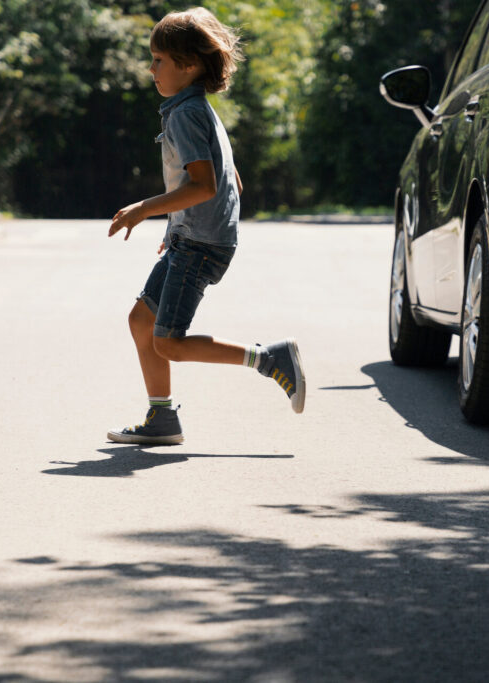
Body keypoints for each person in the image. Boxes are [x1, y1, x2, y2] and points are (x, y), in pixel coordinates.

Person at [106, 7, 305, 445]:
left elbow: (204, 184)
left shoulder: (186, 115)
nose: (151, 68)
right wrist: (175, 225)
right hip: (191, 238)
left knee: (169, 342)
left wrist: (144, 208)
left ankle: (270, 358)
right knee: (142, 321)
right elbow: (229, 178)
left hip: (199, 244)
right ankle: (162, 418)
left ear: (188, 65)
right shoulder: (193, 109)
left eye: (158, 59)